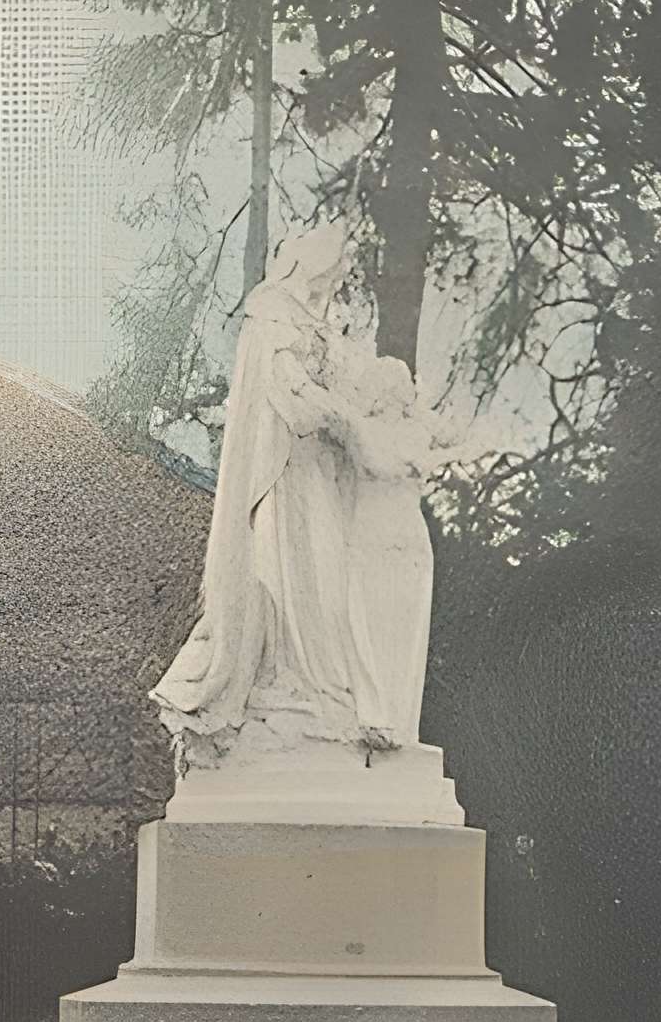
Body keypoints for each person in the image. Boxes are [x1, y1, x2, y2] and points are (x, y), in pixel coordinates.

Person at [151, 222, 463, 769]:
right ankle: (292, 689)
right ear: (314, 265)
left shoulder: (306, 321)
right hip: (284, 477)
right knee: (294, 574)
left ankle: (319, 695)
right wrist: (345, 419)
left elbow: (332, 394)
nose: (336, 287)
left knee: (326, 581)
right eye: (334, 274)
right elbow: (291, 402)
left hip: (318, 475)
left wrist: (358, 419)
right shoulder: (272, 315)